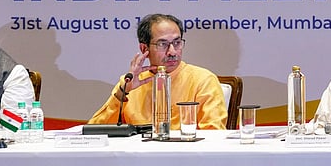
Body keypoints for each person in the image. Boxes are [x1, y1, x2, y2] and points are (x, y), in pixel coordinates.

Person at [88, 13, 227, 130]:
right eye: (162, 44)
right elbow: (95, 130)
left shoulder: (202, 80)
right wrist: (122, 94)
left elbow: (213, 134)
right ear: (144, 49)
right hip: (138, 158)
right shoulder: (130, 82)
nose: (172, 52)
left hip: (185, 159)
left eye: (177, 42)